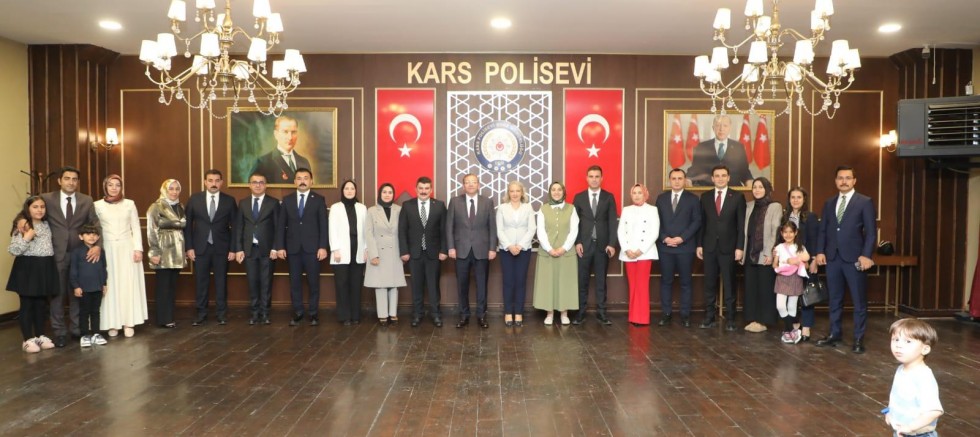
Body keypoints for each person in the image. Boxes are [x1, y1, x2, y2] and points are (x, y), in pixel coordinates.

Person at [815, 165, 876, 354]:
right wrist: (820, 251)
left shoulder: (864, 202)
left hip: (855, 259)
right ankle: (835, 334)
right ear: (836, 181)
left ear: (854, 181)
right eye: (840, 178)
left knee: (859, 301)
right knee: (834, 299)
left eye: (848, 178)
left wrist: (866, 255)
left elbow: (871, 233)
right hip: (832, 258)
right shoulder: (829, 203)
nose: (844, 181)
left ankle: (858, 339)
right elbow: (823, 230)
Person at [41, 166, 100, 348]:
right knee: (57, 295)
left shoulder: (86, 200)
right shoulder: (46, 199)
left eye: (74, 179)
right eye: (67, 178)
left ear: (78, 182)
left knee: (78, 294)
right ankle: (59, 332)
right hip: (55, 254)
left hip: (80, 256)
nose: (71, 182)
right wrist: (19, 221)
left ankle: (76, 329)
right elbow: (29, 212)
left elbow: (95, 224)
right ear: (60, 181)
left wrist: (98, 246)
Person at [95, 175, 147, 338]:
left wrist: (138, 249)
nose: (114, 188)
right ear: (105, 186)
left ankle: (128, 322)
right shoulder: (97, 205)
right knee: (110, 285)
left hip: (127, 249)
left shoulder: (129, 204)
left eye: (117, 185)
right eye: (110, 185)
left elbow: (135, 227)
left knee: (127, 284)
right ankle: (112, 323)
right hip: (107, 248)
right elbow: (95, 229)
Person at [6, 196, 60, 353]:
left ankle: (40, 336)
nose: (39, 210)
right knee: (27, 304)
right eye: (35, 207)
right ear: (27, 208)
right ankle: (27, 339)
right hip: (27, 268)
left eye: (42, 206)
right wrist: (26, 238)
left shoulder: (46, 224)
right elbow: (14, 250)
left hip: (45, 266)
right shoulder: (23, 225)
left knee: (41, 304)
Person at [184, 169, 237, 326]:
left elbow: (236, 227)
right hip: (200, 248)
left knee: (221, 282)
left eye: (217, 180)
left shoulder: (229, 201)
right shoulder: (194, 199)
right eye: (210, 180)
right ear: (205, 182)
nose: (214, 184)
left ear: (221, 182)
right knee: (201, 282)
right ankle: (201, 313)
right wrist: (189, 247)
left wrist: (233, 249)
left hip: (222, 248)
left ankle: (221, 314)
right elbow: (187, 225)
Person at [276, 167, 328, 326]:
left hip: (313, 249)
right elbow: (281, 225)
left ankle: (313, 313)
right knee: (295, 283)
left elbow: (323, 225)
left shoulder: (318, 199)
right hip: (292, 249)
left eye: (306, 178)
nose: (302, 181)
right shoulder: (287, 200)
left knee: (313, 283)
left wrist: (323, 246)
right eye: (299, 178)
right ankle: (298, 312)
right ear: (294, 182)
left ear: (311, 181)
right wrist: (280, 246)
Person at [697, 165, 746, 331]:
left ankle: (731, 318)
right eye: (717, 176)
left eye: (723, 175)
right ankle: (709, 317)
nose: (720, 178)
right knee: (709, 284)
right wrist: (699, 245)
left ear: (728, 178)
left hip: (729, 248)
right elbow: (702, 224)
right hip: (709, 247)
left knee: (729, 284)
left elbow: (741, 225)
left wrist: (740, 247)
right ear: (712, 178)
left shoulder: (737, 197)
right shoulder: (705, 197)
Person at [446, 173, 497, 329]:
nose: (470, 185)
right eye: (467, 182)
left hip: (482, 250)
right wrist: (451, 247)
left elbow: (492, 227)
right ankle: (464, 315)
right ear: (463, 186)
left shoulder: (487, 202)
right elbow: (449, 226)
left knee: (482, 285)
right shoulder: (455, 201)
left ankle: (481, 315)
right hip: (461, 250)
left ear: (478, 185)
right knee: (462, 285)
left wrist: (492, 248)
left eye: (473, 182)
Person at [398, 176, 448, 328]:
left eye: (427, 188)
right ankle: (417, 314)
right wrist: (404, 251)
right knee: (416, 286)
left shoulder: (439, 205)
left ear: (431, 190)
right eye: (421, 188)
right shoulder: (407, 206)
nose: (424, 191)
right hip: (414, 254)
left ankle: (436, 314)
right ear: (416, 189)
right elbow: (402, 230)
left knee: (433, 286)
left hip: (434, 254)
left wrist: (444, 250)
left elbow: (444, 230)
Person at [572, 165, 618, 325]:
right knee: (582, 281)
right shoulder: (579, 197)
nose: (594, 179)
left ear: (601, 178)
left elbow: (613, 222)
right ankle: (580, 313)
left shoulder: (608, 197)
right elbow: (574, 223)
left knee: (601, 282)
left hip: (602, 247)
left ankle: (602, 313)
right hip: (584, 246)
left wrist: (612, 244)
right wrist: (577, 242)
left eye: (597, 176)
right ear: (587, 178)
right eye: (591, 176)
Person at [655, 168, 701, 327]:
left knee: (686, 282)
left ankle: (685, 315)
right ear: (669, 180)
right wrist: (665, 238)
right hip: (665, 247)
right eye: (673, 178)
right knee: (666, 281)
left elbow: (696, 221)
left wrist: (682, 238)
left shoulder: (693, 199)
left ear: (685, 180)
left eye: (680, 178)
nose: (676, 181)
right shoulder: (661, 199)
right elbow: (656, 222)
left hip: (685, 247)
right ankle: (666, 314)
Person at [232, 172, 280, 325]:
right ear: (249, 185)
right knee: (252, 282)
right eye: (254, 182)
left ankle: (265, 313)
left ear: (266, 185)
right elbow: (239, 228)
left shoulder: (273, 203)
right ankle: (254, 313)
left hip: (267, 250)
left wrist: (275, 248)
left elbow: (278, 228)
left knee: (266, 283)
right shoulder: (243, 203)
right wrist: (239, 249)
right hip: (249, 249)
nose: (258, 185)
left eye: (261, 182)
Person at [885, 318, 944, 436]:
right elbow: (899, 397)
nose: (898, 345)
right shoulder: (901, 369)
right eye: (896, 339)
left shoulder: (923, 377)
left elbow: (934, 411)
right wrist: (890, 412)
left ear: (925, 349)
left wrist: (910, 427)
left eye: (908, 341)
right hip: (901, 431)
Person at [532, 182, 579, 326]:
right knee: (548, 283)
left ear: (563, 192)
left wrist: (564, 248)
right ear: (550, 192)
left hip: (566, 253)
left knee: (565, 283)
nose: (556, 192)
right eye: (553, 189)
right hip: (547, 253)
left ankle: (564, 313)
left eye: (559, 190)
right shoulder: (543, 209)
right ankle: (550, 313)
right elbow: (540, 231)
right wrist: (549, 249)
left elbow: (574, 231)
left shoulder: (571, 208)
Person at [741, 177, 781, 333]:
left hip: (765, 254)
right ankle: (753, 319)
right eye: (755, 187)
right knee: (751, 287)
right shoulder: (749, 206)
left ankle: (764, 320)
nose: (757, 190)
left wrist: (770, 253)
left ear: (767, 189)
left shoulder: (775, 206)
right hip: (750, 253)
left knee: (765, 288)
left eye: (760, 187)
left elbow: (775, 230)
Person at [146, 179, 187, 329]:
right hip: (163, 251)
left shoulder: (181, 206)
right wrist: (154, 252)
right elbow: (151, 231)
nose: (174, 192)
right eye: (171, 188)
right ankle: (163, 319)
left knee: (172, 286)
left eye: (177, 189)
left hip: (177, 252)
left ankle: (169, 317)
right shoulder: (156, 207)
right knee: (163, 287)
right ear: (164, 190)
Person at [495, 180, 536, 327]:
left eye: (517, 191)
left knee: (520, 281)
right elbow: (499, 229)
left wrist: (520, 245)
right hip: (506, 250)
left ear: (522, 193)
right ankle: (508, 312)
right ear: (508, 193)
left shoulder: (528, 207)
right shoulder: (502, 208)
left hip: (524, 249)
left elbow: (532, 229)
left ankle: (518, 312)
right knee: (508, 281)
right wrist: (510, 246)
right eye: (512, 191)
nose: (515, 194)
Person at [365, 183, 406, 327]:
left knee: (394, 284)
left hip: (395, 251)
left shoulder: (399, 210)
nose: (387, 195)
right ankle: (382, 315)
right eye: (384, 192)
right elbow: (368, 234)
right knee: (380, 285)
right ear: (380, 194)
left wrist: (404, 252)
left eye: (390, 192)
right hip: (378, 252)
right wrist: (373, 254)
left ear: (393, 195)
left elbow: (403, 232)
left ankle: (393, 313)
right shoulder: (372, 210)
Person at [618, 183, 659, 326]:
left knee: (642, 285)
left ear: (645, 194)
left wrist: (640, 250)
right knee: (633, 285)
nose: (637, 195)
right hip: (628, 253)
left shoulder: (652, 210)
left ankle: (642, 318)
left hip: (645, 253)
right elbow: (621, 231)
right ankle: (633, 316)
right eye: (634, 193)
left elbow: (654, 232)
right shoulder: (626, 210)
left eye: (639, 192)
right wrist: (626, 249)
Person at [783, 186, 820, 341]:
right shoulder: (785, 217)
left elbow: (814, 239)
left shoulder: (810, 217)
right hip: (789, 264)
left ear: (804, 199)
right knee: (791, 295)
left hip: (806, 262)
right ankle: (795, 325)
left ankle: (806, 328)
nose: (796, 200)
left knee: (807, 295)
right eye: (793, 197)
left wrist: (813, 260)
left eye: (799, 197)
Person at [329, 180, 367, 326]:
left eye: (352, 188)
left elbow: (366, 231)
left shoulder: (362, 208)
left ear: (356, 191)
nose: (349, 191)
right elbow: (332, 229)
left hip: (358, 250)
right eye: (347, 188)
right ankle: (344, 316)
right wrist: (335, 249)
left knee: (356, 285)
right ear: (342, 191)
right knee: (342, 284)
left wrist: (366, 249)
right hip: (340, 251)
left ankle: (355, 315)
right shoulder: (336, 207)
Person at [687, 115, 753, 187]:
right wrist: (688, 179)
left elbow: (744, 171)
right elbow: (695, 168)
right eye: (718, 125)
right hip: (708, 189)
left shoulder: (738, 147)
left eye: (725, 126)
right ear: (713, 128)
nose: (721, 129)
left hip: (733, 189)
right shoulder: (702, 146)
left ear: (730, 128)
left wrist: (749, 182)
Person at [71, 224, 108, 347]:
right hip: (83, 288)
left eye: (94, 234)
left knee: (96, 311)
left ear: (98, 237)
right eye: (88, 234)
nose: (92, 236)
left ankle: (96, 334)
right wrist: (76, 286)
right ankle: (85, 335)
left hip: (97, 286)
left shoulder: (101, 251)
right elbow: (73, 270)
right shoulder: (76, 252)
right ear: (81, 237)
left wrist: (104, 283)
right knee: (84, 312)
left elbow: (103, 268)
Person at [773, 222, 809, 344]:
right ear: (781, 233)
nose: (788, 235)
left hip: (795, 277)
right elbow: (775, 264)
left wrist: (795, 260)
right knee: (780, 306)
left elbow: (806, 262)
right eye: (785, 232)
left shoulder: (800, 247)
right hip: (782, 277)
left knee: (792, 307)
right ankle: (792, 328)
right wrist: (778, 267)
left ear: (796, 233)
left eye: (791, 232)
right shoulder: (778, 247)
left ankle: (788, 332)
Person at [252, 115, 313, 184]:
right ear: (276, 134)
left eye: (293, 132)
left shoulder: (304, 162)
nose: (290, 137)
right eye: (285, 132)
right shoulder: (263, 163)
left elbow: (310, 188)